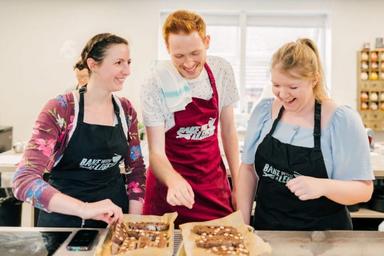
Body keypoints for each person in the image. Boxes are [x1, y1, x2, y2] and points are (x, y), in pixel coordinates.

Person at [237, 38, 374, 230]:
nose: (283, 94)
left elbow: (363, 190)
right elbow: (248, 170)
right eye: (276, 85)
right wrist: (242, 223)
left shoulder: (342, 120)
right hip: (267, 230)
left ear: (314, 79)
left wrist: (323, 186)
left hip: (324, 239)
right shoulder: (264, 112)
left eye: (293, 87)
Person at [12, 33, 146, 228]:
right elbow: (24, 180)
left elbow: (136, 172)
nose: (127, 71)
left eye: (129, 62)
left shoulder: (126, 111)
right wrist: (84, 208)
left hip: (114, 221)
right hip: (63, 222)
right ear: (93, 64)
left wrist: (133, 223)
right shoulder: (62, 109)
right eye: (118, 62)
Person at [141, 10, 240, 226]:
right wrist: (173, 179)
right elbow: (156, 153)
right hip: (168, 190)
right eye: (179, 56)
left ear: (207, 41)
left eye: (195, 53)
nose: (188, 63)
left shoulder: (221, 70)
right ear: (167, 49)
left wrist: (238, 183)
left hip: (212, 185)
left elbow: (229, 130)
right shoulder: (155, 83)